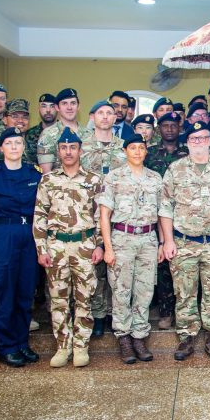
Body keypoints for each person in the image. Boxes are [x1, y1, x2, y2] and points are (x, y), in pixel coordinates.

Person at [158, 121, 210, 361]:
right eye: (194, 138)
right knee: (184, 291)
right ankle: (186, 336)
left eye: (203, 137)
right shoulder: (175, 169)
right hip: (183, 243)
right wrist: (167, 241)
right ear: (187, 142)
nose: (199, 142)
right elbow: (165, 207)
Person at [33, 127, 103, 368]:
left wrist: (100, 245)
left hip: (85, 245)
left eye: (73, 147)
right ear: (58, 151)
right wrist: (41, 249)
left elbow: (100, 216)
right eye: (63, 148)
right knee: (59, 299)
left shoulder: (93, 180)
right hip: (57, 246)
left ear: (80, 151)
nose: (68, 152)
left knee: (84, 298)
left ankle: (81, 346)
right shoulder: (48, 180)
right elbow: (39, 215)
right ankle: (63, 347)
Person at [0, 127, 42, 367]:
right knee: (6, 292)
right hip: (2, 234)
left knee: (26, 292)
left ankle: (22, 343)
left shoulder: (34, 173)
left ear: (24, 147)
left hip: (29, 234)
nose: (14, 147)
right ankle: (6, 347)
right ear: (1, 148)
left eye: (18, 143)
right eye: (9, 143)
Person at [98, 133, 163, 364]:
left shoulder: (155, 178)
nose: (137, 152)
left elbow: (162, 213)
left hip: (148, 238)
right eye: (132, 147)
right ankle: (123, 337)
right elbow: (104, 215)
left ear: (146, 151)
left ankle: (139, 336)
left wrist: (162, 243)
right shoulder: (114, 177)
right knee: (121, 290)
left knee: (144, 291)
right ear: (125, 151)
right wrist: (107, 247)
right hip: (121, 238)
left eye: (141, 148)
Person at [80, 100, 126, 336]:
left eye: (110, 113)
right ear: (92, 117)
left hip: (118, 215)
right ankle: (97, 314)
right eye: (101, 113)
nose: (106, 116)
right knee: (94, 266)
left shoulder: (125, 147)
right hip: (87, 213)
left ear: (115, 118)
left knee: (116, 265)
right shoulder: (81, 146)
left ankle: (113, 313)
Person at [145, 111, 189, 330]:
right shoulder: (150, 153)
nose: (170, 129)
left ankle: (185, 311)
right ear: (159, 129)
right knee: (162, 265)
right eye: (165, 126)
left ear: (179, 128)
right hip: (154, 216)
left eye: (173, 125)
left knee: (184, 265)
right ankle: (165, 311)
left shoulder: (187, 152)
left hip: (183, 216)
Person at [37, 88, 94, 173]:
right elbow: (46, 173)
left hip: (89, 180)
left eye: (73, 103)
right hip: (59, 181)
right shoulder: (47, 135)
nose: (69, 107)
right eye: (64, 103)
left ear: (78, 106)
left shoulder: (90, 134)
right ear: (57, 107)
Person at [25, 94, 57, 168]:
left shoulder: (65, 132)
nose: (48, 110)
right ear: (38, 109)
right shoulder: (29, 134)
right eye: (44, 106)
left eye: (52, 106)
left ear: (57, 109)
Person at [2, 99, 34, 164]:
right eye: (15, 116)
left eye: (25, 117)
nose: (20, 120)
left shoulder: (35, 140)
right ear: (5, 120)